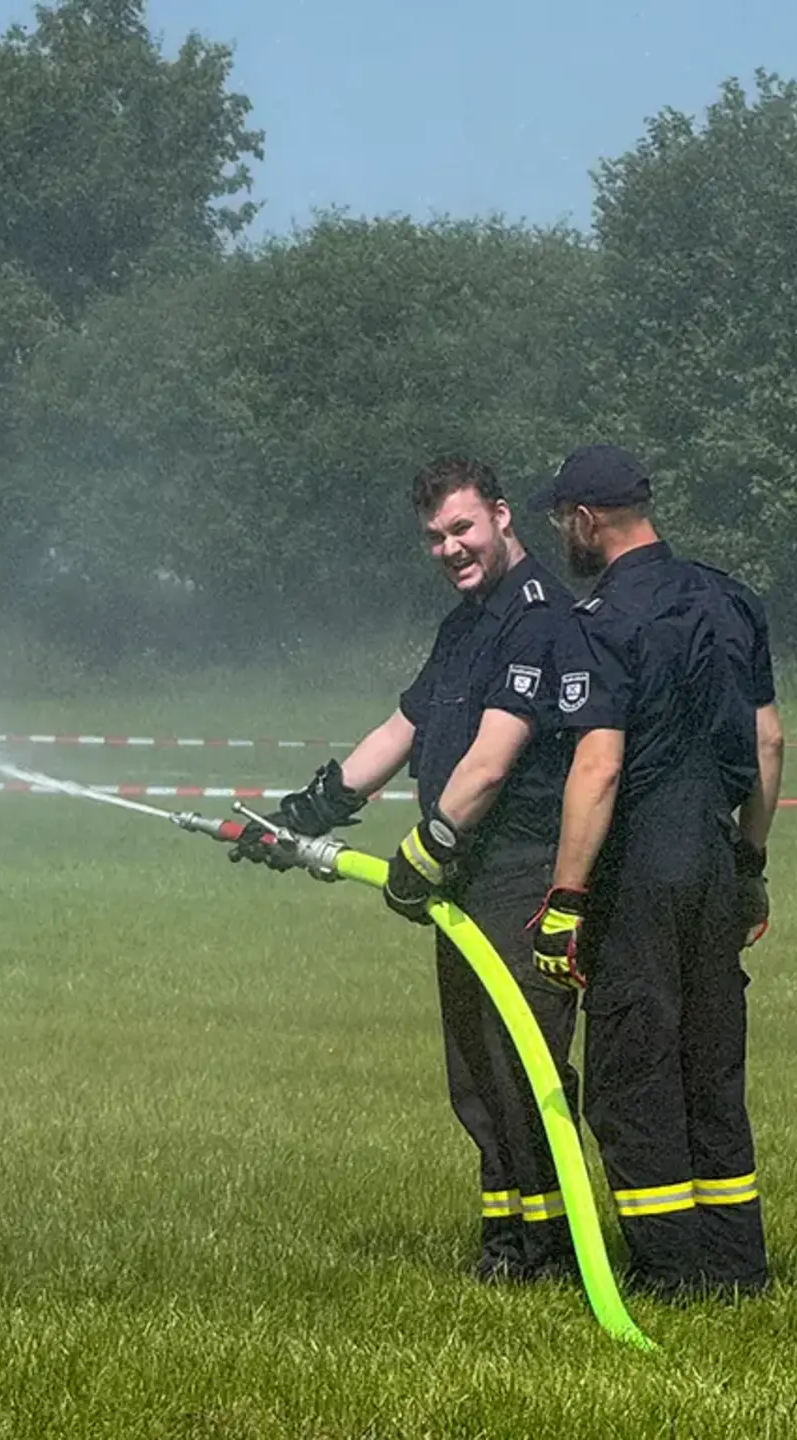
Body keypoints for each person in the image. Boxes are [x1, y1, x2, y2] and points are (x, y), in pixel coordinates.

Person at [231, 456, 582, 1283]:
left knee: (523, 1061)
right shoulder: (464, 624)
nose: (450, 548)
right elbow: (404, 729)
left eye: (462, 528)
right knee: (475, 1070)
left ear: (500, 517)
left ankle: (558, 1251)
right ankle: (505, 1245)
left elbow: (493, 761)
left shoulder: (539, 618)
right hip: (463, 878)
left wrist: (426, 850)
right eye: (435, 537)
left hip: (518, 874)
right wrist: (306, 813)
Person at [525, 444, 779, 1301]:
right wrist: (750, 865)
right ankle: (737, 1268)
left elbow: (597, 766)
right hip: (715, 855)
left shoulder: (598, 619)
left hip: (641, 867)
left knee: (635, 1076)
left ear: (586, 520)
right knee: (711, 1069)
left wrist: (563, 899)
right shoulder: (730, 598)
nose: (564, 533)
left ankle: (671, 1273)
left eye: (563, 520)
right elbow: (771, 743)